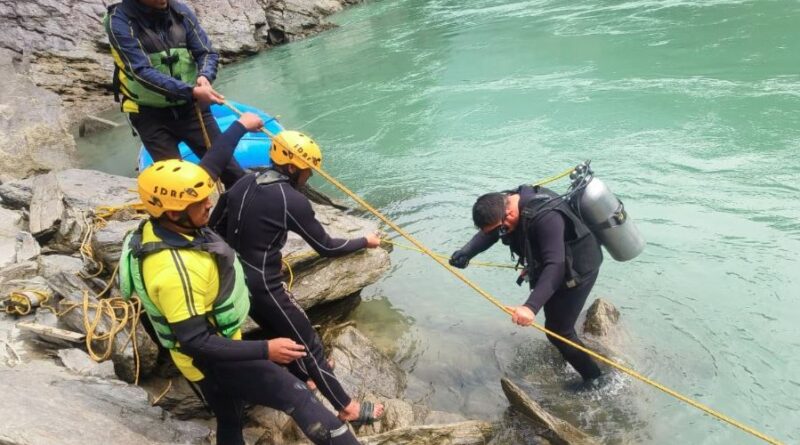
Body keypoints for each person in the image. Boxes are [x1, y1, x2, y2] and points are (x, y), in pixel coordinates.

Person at [119, 113, 361, 445]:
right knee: (300, 399)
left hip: (212, 353)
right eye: (200, 201)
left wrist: (239, 126)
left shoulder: (169, 222)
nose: (209, 203)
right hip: (211, 361)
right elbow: (196, 341)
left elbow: (211, 165)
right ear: (175, 212)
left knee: (230, 415)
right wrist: (265, 349)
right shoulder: (174, 270)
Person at [210, 130, 385, 426]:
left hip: (235, 276)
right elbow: (326, 246)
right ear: (293, 167)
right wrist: (364, 241)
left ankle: (307, 376)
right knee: (310, 344)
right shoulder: (291, 200)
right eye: (307, 170)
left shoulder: (242, 181)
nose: (309, 177)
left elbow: (214, 227)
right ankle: (347, 408)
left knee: (280, 331)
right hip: (263, 285)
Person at [449, 185, 605, 383]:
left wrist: (530, 308)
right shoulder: (506, 205)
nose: (501, 232)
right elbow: (491, 231)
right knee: (555, 322)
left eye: (502, 228)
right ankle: (569, 357)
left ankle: (595, 379)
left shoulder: (546, 217)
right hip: (553, 263)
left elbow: (555, 265)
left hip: (579, 268)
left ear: (509, 213)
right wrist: (466, 252)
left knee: (559, 331)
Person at [105, 0, 244, 187]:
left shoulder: (181, 12)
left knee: (232, 172)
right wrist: (192, 91)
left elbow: (207, 52)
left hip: (192, 109)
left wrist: (205, 76)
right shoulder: (119, 20)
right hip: (150, 115)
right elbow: (140, 71)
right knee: (176, 184)